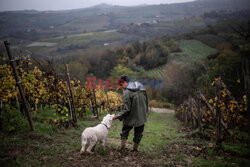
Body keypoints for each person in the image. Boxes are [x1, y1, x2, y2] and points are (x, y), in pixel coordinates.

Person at [113, 75, 148, 151]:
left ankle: (122, 147)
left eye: (121, 84)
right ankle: (135, 149)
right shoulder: (142, 88)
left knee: (125, 131)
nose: (120, 86)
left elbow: (126, 109)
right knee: (138, 133)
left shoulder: (127, 92)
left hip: (130, 117)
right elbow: (146, 102)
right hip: (141, 116)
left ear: (125, 82)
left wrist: (117, 116)